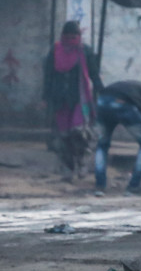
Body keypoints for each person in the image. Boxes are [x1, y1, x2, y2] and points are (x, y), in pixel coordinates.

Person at [42, 20, 100, 178]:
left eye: (75, 35)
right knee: (64, 136)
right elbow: (48, 74)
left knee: (79, 133)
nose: (71, 39)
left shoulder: (85, 51)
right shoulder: (55, 50)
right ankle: (68, 168)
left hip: (80, 99)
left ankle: (81, 163)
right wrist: (45, 97)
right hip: (60, 98)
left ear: (79, 36)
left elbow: (94, 74)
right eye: (68, 36)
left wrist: (102, 92)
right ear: (63, 36)